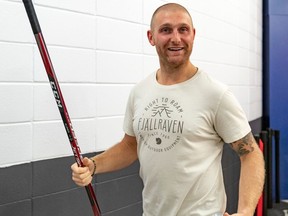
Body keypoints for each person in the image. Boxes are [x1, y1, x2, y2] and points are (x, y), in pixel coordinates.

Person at [71, 3, 265, 216]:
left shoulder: (215, 94)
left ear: (193, 35)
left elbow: (250, 154)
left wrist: (245, 211)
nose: (176, 38)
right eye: (165, 30)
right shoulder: (140, 92)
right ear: (151, 37)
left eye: (183, 29)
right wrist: (94, 166)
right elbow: (130, 145)